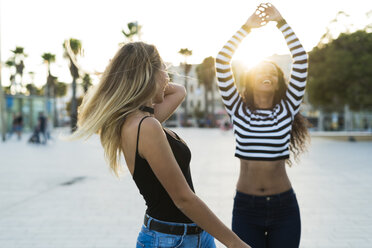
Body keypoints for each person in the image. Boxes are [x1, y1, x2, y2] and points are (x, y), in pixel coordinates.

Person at [68, 42, 250, 248]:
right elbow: (183, 199)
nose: (168, 77)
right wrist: (236, 243)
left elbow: (179, 91)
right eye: (164, 70)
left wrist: (148, 80)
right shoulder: (145, 126)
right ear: (147, 75)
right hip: (171, 241)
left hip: (187, 236)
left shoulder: (139, 121)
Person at [215, 3, 309, 248]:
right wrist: (247, 27)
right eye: (260, 70)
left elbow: (300, 58)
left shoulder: (286, 109)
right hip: (246, 208)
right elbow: (222, 60)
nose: (267, 73)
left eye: (273, 72)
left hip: (284, 208)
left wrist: (281, 22)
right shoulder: (238, 109)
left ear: (279, 82)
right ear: (250, 78)